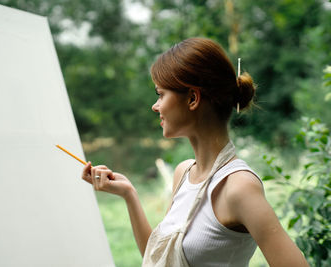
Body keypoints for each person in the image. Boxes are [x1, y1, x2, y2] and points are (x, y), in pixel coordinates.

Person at [81, 37, 309, 267]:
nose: (155, 105)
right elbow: (160, 258)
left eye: (161, 94)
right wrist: (128, 194)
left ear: (192, 98)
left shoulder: (237, 187)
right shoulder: (183, 173)